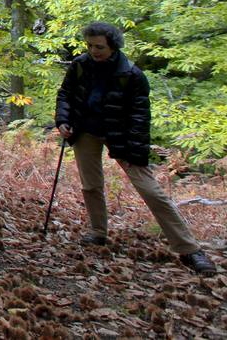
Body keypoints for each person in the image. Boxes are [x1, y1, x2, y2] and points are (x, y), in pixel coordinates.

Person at [56, 22, 217, 276]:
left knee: (151, 191)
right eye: (90, 45)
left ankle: (190, 250)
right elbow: (65, 94)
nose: (93, 51)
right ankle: (98, 232)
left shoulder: (132, 75)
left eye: (99, 46)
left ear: (113, 46)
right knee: (91, 185)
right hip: (84, 130)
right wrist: (63, 120)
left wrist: (137, 150)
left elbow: (140, 118)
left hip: (122, 136)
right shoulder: (80, 65)